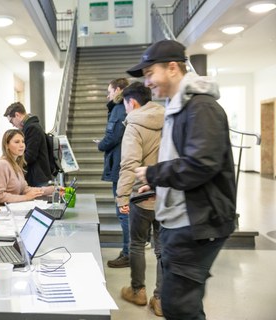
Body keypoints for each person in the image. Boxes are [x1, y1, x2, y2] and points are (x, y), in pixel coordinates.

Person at [128, 40, 236, 320]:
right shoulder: (181, 107)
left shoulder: (201, 108)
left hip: (197, 223)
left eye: (151, 73)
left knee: (179, 305)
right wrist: (157, 184)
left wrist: (155, 173)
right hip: (182, 220)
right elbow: (187, 160)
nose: (148, 83)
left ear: (173, 67)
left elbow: (201, 164)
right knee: (179, 303)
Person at [116, 82, 164, 316]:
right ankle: (161, 299)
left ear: (131, 102)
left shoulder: (134, 125)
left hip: (142, 196)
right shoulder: (168, 119)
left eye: (125, 105)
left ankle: (138, 291)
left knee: (137, 243)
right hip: (166, 195)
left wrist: (122, 196)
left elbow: (129, 165)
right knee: (162, 248)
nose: (125, 110)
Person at [97, 78, 130, 268]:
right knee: (125, 212)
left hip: (121, 168)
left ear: (118, 90)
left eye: (109, 91)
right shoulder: (125, 107)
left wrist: (101, 145)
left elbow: (112, 136)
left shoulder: (119, 108)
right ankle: (129, 250)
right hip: (123, 165)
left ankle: (128, 253)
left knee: (123, 212)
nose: (108, 95)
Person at [0, 129, 54, 213]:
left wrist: (53, 190)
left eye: (23, 141)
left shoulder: (15, 165)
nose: (22, 145)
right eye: (17, 142)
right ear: (7, 145)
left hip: (10, 212)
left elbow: (25, 189)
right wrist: (26, 197)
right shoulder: (2, 165)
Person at [4, 102, 52, 187]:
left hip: (37, 178)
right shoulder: (30, 127)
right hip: (36, 177)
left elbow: (30, 155)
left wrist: (12, 163)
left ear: (17, 115)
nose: (13, 125)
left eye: (11, 121)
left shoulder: (32, 128)